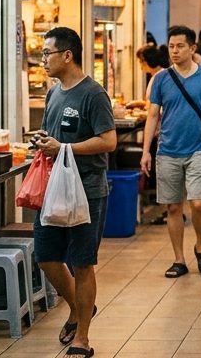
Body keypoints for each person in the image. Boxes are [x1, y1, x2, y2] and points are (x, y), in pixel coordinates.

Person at [30, 27, 117, 356]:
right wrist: (44, 141)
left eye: (47, 54)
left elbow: (108, 141)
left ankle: (82, 336)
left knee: (82, 264)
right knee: (47, 258)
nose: (43, 61)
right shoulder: (54, 93)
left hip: (87, 191)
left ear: (67, 55)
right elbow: (53, 136)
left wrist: (64, 146)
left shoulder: (93, 94)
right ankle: (80, 307)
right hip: (53, 189)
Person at [141, 25, 201, 278]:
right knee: (173, 208)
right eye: (171, 46)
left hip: (199, 148)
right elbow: (153, 115)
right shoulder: (161, 79)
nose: (175, 51)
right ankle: (179, 259)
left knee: (198, 203)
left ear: (192, 48)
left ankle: (200, 244)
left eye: (180, 46)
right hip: (167, 150)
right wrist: (146, 151)